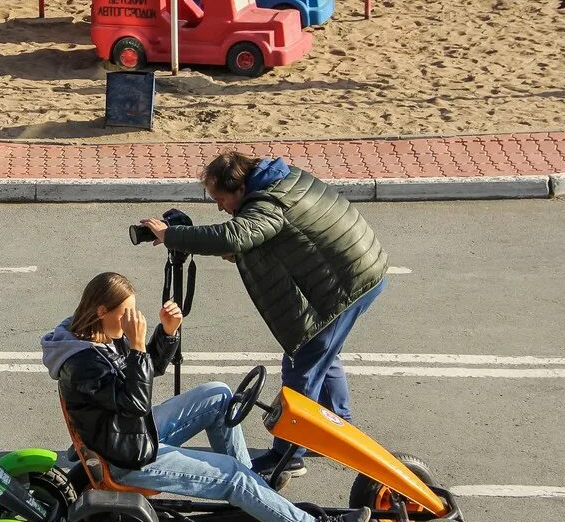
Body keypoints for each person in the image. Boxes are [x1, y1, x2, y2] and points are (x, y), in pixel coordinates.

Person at [41, 272, 370, 522]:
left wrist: (166, 333)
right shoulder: (84, 364)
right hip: (127, 459)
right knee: (233, 476)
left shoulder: (95, 337)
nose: (134, 319)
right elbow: (135, 402)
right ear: (102, 310)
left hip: (128, 435)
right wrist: (138, 347)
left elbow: (144, 374)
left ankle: (257, 497)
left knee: (218, 394)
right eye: (127, 311)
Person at [140, 152, 389, 479]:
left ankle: (289, 455)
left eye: (221, 199)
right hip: (361, 268)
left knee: (302, 363)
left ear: (240, 188)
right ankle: (333, 427)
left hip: (346, 284)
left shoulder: (267, 203)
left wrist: (171, 235)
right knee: (323, 354)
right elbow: (271, 237)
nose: (220, 208)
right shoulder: (277, 180)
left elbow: (235, 235)